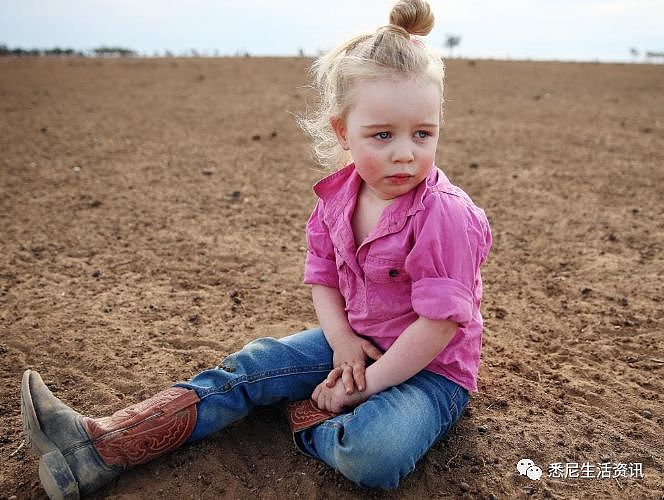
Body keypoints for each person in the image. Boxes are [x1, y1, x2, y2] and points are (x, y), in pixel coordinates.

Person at [20, 0, 492, 497]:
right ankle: (100, 446)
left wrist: (365, 387)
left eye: (423, 133)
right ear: (343, 132)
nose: (405, 152)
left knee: (374, 453)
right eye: (382, 134)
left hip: (431, 372)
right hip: (355, 341)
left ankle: (305, 418)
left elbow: (438, 325)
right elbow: (324, 278)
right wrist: (344, 342)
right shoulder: (337, 200)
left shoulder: (446, 215)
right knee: (254, 363)